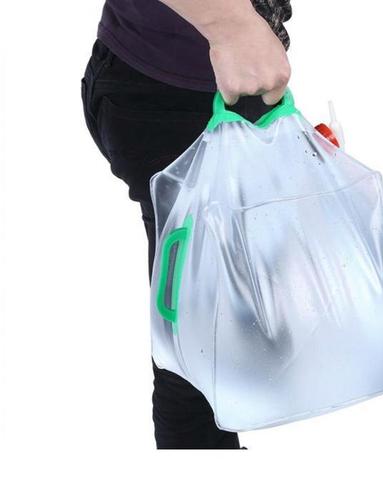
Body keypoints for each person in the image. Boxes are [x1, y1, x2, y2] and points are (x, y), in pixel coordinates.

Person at [81, 0, 292, 449]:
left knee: (230, 339)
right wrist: (233, 28)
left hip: (216, 89)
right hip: (169, 99)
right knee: (198, 360)